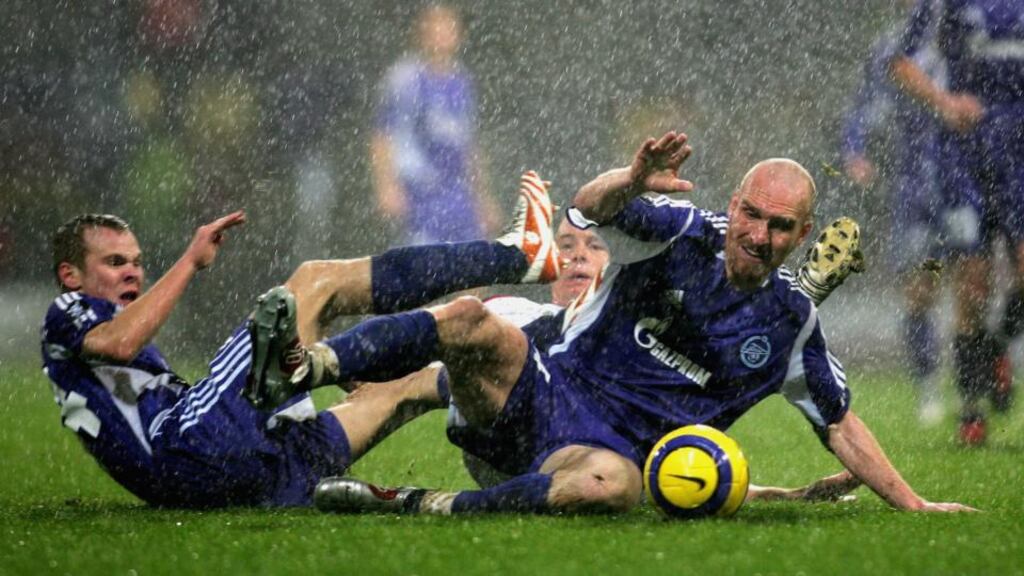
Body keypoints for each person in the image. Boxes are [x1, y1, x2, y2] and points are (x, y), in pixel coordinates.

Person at [41, 172, 847, 509]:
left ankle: (322, 400)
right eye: (115, 263)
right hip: (521, 443)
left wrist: (764, 491)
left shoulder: (580, 335)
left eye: (584, 265)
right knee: (320, 282)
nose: (133, 274)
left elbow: (669, 466)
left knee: (385, 359)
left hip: (220, 478)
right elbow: (113, 344)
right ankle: (507, 257)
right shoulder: (73, 324)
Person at [294, 132, 971, 515]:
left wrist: (913, 506)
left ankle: (409, 502)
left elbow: (841, 422)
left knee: (614, 485)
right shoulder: (678, 232)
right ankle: (316, 364)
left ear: (803, 233)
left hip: (590, 463)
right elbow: (588, 210)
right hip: (531, 393)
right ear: (732, 205)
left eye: (780, 227)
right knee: (474, 318)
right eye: (752, 216)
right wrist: (633, 176)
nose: (759, 235)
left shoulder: (791, 329)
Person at [889, 0, 1023, 445]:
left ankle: (998, 344)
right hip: (966, 152)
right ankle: (971, 409)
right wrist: (945, 101)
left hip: (1018, 149)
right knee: (973, 281)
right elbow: (901, 61)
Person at [841, 0, 947, 425]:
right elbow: (864, 106)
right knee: (920, 289)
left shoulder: (985, 30)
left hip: (979, 174)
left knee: (985, 279)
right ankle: (929, 387)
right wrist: (855, 151)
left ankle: (989, 364)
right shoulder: (894, 45)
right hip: (918, 182)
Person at [370, 4, 500, 245]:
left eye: (447, 26)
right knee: (423, 267)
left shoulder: (462, 82)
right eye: (434, 25)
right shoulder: (405, 79)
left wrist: (483, 198)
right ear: (421, 32)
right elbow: (382, 135)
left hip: (457, 192)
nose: (440, 32)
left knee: (475, 263)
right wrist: (387, 185)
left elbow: (469, 144)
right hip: (419, 191)